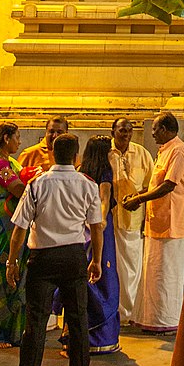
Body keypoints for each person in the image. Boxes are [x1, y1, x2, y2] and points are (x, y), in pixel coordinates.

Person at [4, 133, 102, 366]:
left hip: (42, 259)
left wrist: (12, 262)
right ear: (76, 156)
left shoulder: (37, 184)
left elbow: (19, 229)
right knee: (78, 320)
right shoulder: (87, 185)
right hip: (73, 257)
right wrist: (95, 260)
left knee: (35, 324)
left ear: (51, 154)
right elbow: (96, 227)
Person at [125, 113, 184, 334]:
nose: (152, 133)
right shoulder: (164, 151)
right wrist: (138, 195)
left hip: (171, 224)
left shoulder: (179, 151)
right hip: (156, 222)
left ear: (165, 129)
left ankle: (165, 321)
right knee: (153, 274)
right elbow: (156, 185)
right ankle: (151, 319)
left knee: (166, 276)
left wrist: (139, 199)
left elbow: (168, 185)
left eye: (155, 129)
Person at [0, 122, 28, 349]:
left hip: (15, 222)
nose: (19, 142)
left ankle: (14, 330)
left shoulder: (12, 162)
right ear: (6, 139)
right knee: (1, 272)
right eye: (17, 137)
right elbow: (19, 189)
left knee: (17, 272)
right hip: (2, 225)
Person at [79, 136, 121, 353]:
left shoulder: (80, 172)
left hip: (80, 227)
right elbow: (104, 199)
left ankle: (75, 335)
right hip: (98, 228)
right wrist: (101, 222)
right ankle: (101, 338)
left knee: (82, 280)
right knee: (103, 279)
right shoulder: (105, 172)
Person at [109, 116, 153, 323]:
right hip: (109, 219)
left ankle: (130, 313)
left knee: (132, 268)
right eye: (121, 131)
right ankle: (115, 311)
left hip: (134, 220)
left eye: (129, 131)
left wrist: (138, 197)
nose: (126, 135)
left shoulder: (142, 154)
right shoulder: (105, 153)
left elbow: (152, 186)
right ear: (113, 132)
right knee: (114, 268)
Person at [20, 115, 70, 183]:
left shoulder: (71, 155)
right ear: (46, 132)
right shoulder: (29, 153)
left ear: (66, 133)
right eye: (51, 131)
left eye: (59, 132)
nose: (55, 136)